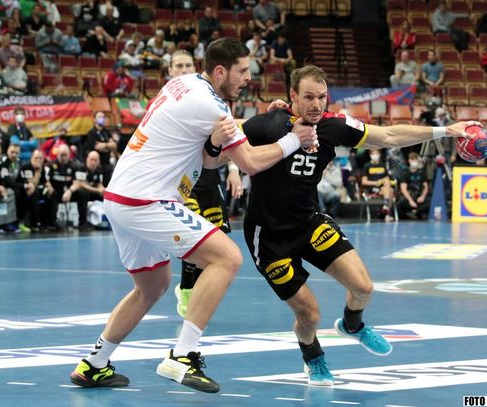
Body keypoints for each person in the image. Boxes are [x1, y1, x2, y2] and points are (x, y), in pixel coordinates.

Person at [69, 37, 317, 393]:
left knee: (152, 286)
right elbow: (249, 162)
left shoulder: (184, 84)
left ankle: (93, 363)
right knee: (227, 258)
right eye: (242, 71)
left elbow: (210, 156)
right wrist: (293, 138)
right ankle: (182, 355)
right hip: (147, 200)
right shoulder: (212, 106)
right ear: (221, 71)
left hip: (121, 197)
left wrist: (262, 123)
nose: (249, 78)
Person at [241, 65, 475, 386]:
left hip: (308, 223)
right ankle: (313, 357)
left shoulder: (334, 125)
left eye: (322, 97)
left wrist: (446, 131)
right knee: (309, 314)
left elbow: (388, 136)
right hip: (268, 238)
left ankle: (352, 324)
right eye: (308, 97)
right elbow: (227, 140)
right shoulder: (268, 124)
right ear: (292, 95)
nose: (316, 104)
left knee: (363, 287)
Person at [168, 50, 243, 318]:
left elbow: (228, 136)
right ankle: (188, 291)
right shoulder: (168, 100)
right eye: (179, 66)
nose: (184, 69)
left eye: (188, 65)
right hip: (183, 182)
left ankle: (191, 290)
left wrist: (233, 169)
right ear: (170, 71)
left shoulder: (211, 98)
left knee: (215, 239)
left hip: (210, 177)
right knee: (193, 239)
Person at [45, 144, 90, 231]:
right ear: (57, 154)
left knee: (83, 192)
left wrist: (69, 191)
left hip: (69, 193)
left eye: (65, 155)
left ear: (69, 155)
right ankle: (52, 224)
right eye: (61, 155)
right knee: (49, 193)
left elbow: (78, 182)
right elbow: (46, 180)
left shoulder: (75, 166)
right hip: (56, 192)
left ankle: (83, 223)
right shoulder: (50, 165)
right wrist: (49, 187)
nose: (63, 157)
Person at [361, 149, 394, 222]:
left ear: (379, 155)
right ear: (370, 155)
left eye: (377, 154)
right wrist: (376, 183)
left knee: (388, 186)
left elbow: (387, 178)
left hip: (382, 189)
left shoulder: (383, 165)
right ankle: (387, 213)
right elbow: (364, 182)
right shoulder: (367, 166)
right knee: (390, 191)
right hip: (372, 189)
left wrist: (382, 181)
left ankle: (386, 208)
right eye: (373, 154)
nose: (375, 156)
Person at [86, 111, 119, 184]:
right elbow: (98, 147)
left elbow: (114, 146)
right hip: (98, 165)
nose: (102, 118)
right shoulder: (91, 132)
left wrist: (104, 145)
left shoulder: (106, 132)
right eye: (99, 117)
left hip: (107, 163)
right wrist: (109, 146)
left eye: (103, 117)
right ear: (94, 119)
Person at [397, 152, 430, 220]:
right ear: (409, 161)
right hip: (409, 197)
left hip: (419, 197)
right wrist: (410, 200)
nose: (414, 162)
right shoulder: (405, 173)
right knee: (401, 201)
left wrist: (422, 196)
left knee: (430, 201)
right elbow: (403, 189)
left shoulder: (422, 173)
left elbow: (426, 187)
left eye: (416, 160)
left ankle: (415, 211)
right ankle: (414, 213)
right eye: (413, 160)